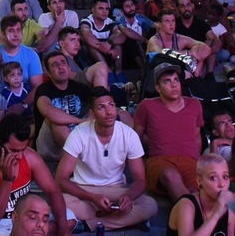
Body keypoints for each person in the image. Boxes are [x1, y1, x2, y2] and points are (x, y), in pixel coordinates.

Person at [54, 87, 158, 232]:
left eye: (111, 105)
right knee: (58, 200)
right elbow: (61, 179)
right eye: (101, 107)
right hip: (84, 190)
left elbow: (140, 179)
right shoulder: (79, 134)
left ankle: (88, 224)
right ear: (92, 113)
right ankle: (124, 219)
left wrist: (128, 196)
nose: (109, 112)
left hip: (116, 190)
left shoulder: (129, 135)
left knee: (150, 205)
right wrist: (91, 197)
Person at [0, 114, 71, 236]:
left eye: (23, 149)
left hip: (25, 217)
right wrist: (7, 180)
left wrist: (63, 229)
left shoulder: (30, 156)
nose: (19, 156)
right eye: (14, 151)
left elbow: (53, 191)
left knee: (69, 218)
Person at [132, 62, 204, 203]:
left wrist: (197, 161)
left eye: (176, 80)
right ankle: (193, 214)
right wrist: (141, 166)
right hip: (160, 162)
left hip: (189, 161)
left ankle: (190, 215)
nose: (174, 85)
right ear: (158, 88)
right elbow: (135, 139)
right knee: (170, 175)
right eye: (167, 81)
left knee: (196, 189)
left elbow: (196, 138)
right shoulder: (147, 106)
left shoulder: (194, 104)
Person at [166, 154, 235, 236]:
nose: (221, 184)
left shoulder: (230, 210)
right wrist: (216, 216)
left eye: (225, 177)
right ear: (199, 181)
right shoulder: (186, 205)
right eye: (213, 178)